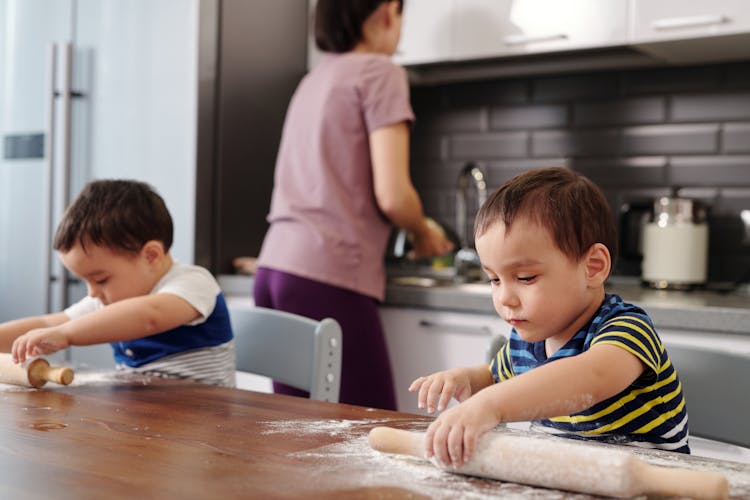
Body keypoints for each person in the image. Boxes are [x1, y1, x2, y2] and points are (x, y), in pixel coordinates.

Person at [410, 167, 690, 467]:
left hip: (655, 484)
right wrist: (463, 379)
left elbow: (590, 378)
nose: (505, 298)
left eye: (526, 277)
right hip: (575, 481)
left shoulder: (627, 329)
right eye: (494, 279)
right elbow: (494, 377)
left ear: (593, 267)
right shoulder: (525, 341)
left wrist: (489, 405)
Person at [253, 0, 453, 409]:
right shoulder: (381, 72)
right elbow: (393, 194)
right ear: (386, 12)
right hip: (328, 275)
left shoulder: (314, 79)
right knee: (370, 429)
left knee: (296, 434)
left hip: (273, 269)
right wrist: (422, 231)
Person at [0, 179, 236, 387]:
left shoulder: (193, 284)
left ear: (151, 255)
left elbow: (150, 316)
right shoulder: (110, 298)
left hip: (205, 420)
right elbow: (48, 322)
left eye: (100, 279)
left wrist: (66, 334)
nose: (92, 293)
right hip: (143, 415)